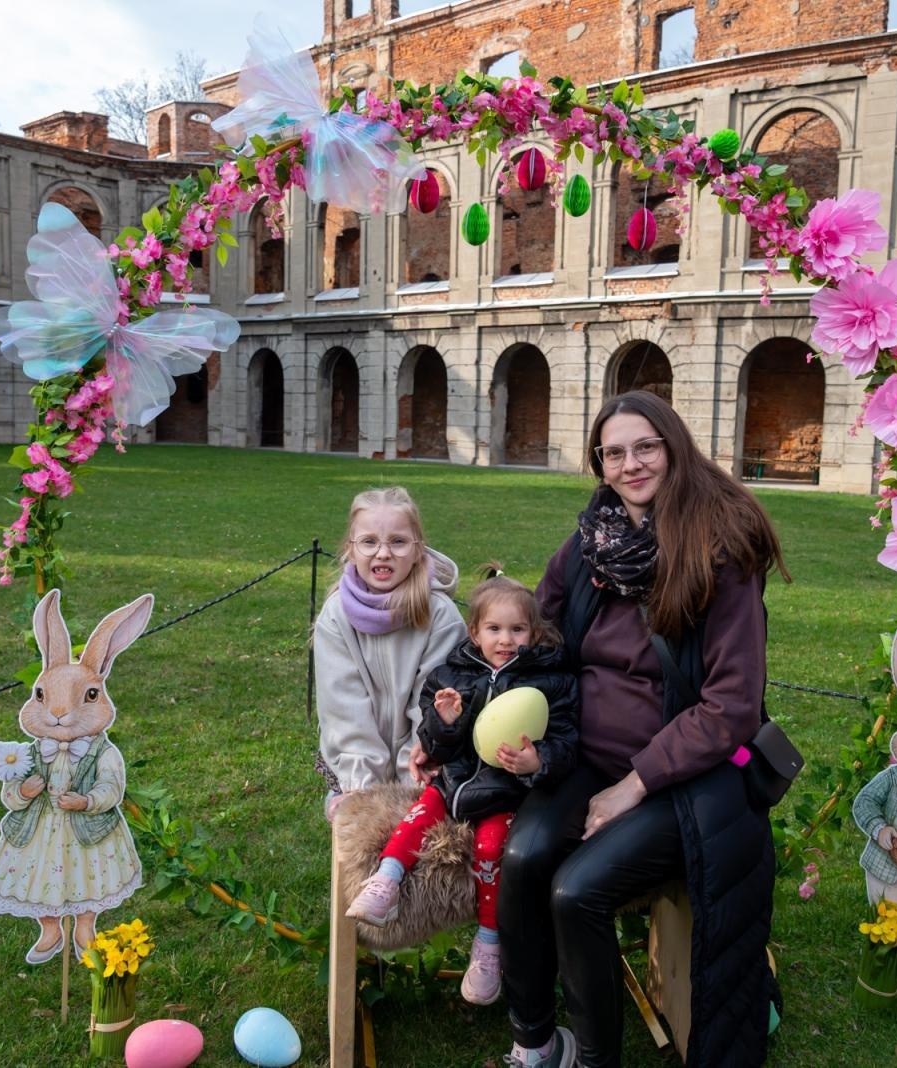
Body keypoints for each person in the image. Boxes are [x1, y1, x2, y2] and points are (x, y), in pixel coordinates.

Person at [499, 390, 789, 1068]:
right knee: (524, 858)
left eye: (645, 448)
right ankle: (536, 1042)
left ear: (673, 446)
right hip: (584, 758)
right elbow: (538, 640)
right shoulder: (587, 546)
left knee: (577, 892)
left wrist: (633, 786)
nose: (631, 464)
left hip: (683, 780)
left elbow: (732, 705)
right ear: (599, 464)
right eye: (614, 452)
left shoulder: (722, 547)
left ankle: (598, 1060)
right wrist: (470, 701)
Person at [345, 571, 579, 1006]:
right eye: (494, 629)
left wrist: (537, 761)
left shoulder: (550, 682)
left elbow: (565, 742)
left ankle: (488, 946)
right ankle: (386, 882)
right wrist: (444, 723)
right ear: (474, 632)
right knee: (418, 817)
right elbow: (433, 745)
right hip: (452, 784)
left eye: (517, 629)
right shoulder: (452, 674)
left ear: (534, 632)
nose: (506, 639)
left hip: (505, 796)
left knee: (492, 852)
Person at [314, 487, 467, 820]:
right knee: (360, 844)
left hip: (425, 767)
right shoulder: (335, 615)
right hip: (354, 768)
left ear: (417, 550)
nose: (383, 553)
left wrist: (409, 788)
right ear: (350, 551)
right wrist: (362, 790)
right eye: (369, 542)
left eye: (398, 542)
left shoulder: (440, 616)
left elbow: (430, 708)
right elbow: (343, 710)